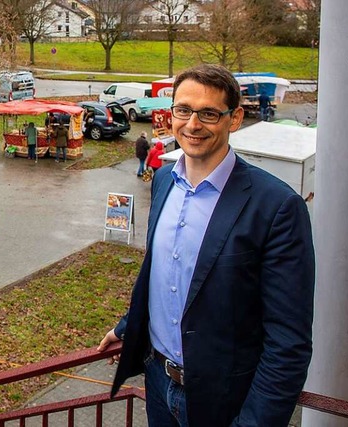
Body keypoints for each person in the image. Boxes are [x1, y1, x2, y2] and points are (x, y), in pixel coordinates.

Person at [97, 64, 315, 427]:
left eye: (209, 113)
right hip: (159, 383)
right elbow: (165, 273)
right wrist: (126, 326)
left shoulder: (277, 207)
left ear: (235, 118)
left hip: (224, 401)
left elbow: (288, 344)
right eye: (183, 110)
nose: (192, 124)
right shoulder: (164, 180)